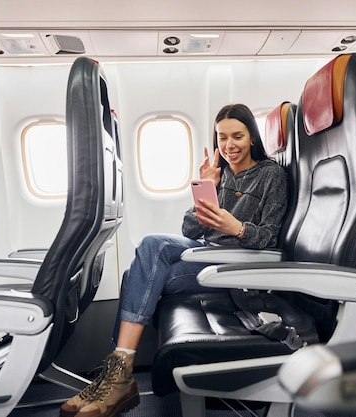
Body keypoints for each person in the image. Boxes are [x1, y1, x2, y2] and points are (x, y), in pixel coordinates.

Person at [60, 103, 289, 417]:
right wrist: (205, 187)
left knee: (150, 250)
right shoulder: (218, 174)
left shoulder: (271, 175)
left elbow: (270, 237)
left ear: (252, 137)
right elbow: (189, 228)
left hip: (234, 268)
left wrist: (234, 227)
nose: (229, 145)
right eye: (222, 137)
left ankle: (117, 376)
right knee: (136, 270)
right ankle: (117, 373)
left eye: (237, 136)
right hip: (206, 253)